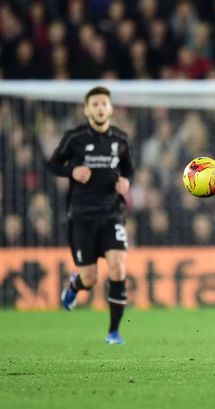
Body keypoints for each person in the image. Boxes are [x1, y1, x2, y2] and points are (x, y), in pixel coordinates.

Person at [47, 86, 134, 345]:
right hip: (82, 216)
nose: (99, 108)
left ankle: (114, 332)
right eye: (94, 104)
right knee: (90, 278)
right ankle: (76, 285)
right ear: (86, 110)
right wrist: (72, 171)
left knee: (118, 268)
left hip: (112, 213)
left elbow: (129, 170)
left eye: (103, 103)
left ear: (110, 108)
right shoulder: (74, 138)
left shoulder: (120, 139)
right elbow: (52, 163)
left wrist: (126, 183)